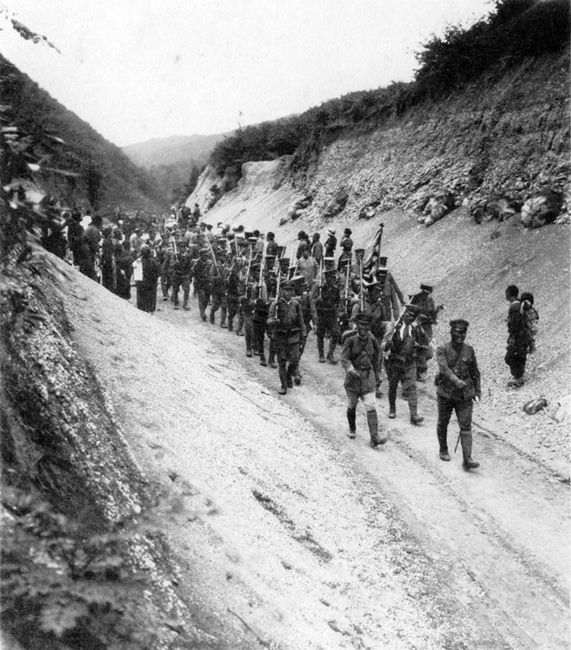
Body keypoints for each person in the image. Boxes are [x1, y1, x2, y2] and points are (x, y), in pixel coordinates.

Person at [435, 319, 481, 470]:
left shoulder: (469, 350)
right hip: (446, 393)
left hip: (464, 394)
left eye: (463, 333)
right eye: (457, 332)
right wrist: (456, 381)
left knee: (466, 426)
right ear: (451, 332)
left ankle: (467, 459)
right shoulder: (442, 349)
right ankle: (443, 450)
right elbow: (444, 369)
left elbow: (475, 372)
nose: (460, 336)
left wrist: (477, 391)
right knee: (443, 422)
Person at [341, 313, 387, 448]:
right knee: (352, 404)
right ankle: (352, 429)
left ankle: (374, 437)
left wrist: (377, 373)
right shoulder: (350, 340)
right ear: (357, 325)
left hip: (368, 377)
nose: (363, 328)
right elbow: (344, 358)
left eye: (366, 326)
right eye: (361, 325)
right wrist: (351, 369)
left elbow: (377, 357)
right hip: (353, 380)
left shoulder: (372, 340)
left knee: (371, 406)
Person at [383, 304, 426, 424]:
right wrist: (387, 344)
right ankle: (392, 409)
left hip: (409, 362)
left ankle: (414, 414)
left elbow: (424, 342)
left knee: (411, 387)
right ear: (404, 314)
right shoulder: (393, 327)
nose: (410, 318)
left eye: (413, 317)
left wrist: (421, 332)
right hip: (395, 362)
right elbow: (383, 344)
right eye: (408, 315)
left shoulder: (415, 329)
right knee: (393, 386)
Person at [268, 280, 306, 395]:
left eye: (290, 290)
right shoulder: (276, 304)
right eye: (286, 290)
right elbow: (269, 319)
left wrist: (303, 335)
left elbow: (301, 321)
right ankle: (284, 385)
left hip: (294, 336)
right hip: (281, 336)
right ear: (281, 291)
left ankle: (289, 375)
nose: (288, 293)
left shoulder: (296, 304)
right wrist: (273, 321)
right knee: (282, 362)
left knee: (294, 360)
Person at [410, 283, 443, 382]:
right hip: (418, 329)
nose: (427, 295)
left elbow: (432, 314)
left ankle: (418, 370)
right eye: (426, 293)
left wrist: (437, 311)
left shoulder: (430, 300)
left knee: (429, 353)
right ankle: (418, 372)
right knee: (420, 349)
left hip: (427, 328)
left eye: (429, 293)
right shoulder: (416, 300)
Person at [504, 284, 531, 387]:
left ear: (509, 294)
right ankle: (519, 376)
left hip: (519, 337)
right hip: (524, 335)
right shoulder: (520, 304)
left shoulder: (514, 307)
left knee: (510, 357)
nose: (505, 296)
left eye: (506, 294)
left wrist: (512, 337)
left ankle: (518, 377)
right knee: (520, 355)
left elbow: (515, 324)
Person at [312, 267, 341, 364]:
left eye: (333, 278)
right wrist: (318, 301)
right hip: (321, 314)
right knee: (320, 335)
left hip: (331, 314)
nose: (332, 280)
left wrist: (337, 312)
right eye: (330, 278)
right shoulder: (320, 287)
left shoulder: (336, 289)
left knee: (335, 333)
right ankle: (321, 355)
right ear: (326, 278)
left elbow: (337, 301)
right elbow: (312, 300)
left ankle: (330, 354)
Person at [136, 245, 159, 313]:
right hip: (151, 284)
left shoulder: (138, 261)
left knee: (142, 301)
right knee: (151, 300)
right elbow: (157, 273)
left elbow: (136, 273)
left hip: (142, 283)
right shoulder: (154, 261)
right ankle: (150, 312)